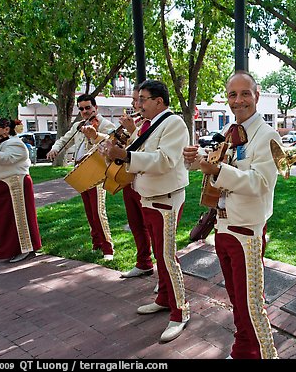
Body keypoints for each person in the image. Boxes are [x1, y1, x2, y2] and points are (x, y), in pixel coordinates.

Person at [183, 70, 280, 359]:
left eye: (245, 93)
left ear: (257, 96)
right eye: (232, 95)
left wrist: (217, 170)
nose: (238, 100)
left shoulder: (267, 135)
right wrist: (196, 161)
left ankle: (267, 354)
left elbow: (261, 183)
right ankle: (243, 349)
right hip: (223, 228)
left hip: (247, 232)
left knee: (252, 305)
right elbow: (215, 173)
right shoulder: (229, 132)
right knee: (237, 300)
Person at [100, 79, 190, 343]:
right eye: (138, 99)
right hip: (150, 197)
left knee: (167, 257)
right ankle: (164, 298)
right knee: (160, 255)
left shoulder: (174, 123)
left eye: (142, 99)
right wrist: (116, 152)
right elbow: (135, 154)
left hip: (166, 199)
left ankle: (180, 311)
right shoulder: (147, 125)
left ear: (159, 101)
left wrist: (126, 156)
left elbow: (165, 160)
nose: (137, 105)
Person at [46, 94, 116, 260]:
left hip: (96, 170)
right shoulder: (78, 125)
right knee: (89, 212)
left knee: (99, 212)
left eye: (88, 108)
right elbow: (64, 139)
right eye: (81, 109)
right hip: (80, 169)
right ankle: (96, 243)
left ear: (95, 108)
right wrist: (55, 149)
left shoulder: (105, 124)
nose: (85, 111)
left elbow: (112, 142)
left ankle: (108, 249)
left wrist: (95, 135)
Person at [0, 118, 42, 262]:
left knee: (18, 219)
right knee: (1, 222)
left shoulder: (15, 143)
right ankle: (6, 249)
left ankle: (26, 249)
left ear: (6, 129)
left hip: (13, 185)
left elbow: (6, 159)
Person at [117, 84, 155, 281]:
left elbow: (146, 151)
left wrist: (132, 131)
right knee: (136, 225)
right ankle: (144, 263)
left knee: (154, 230)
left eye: (139, 100)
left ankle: (167, 277)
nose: (135, 105)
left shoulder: (155, 124)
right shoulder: (139, 122)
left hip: (147, 185)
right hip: (129, 181)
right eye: (134, 100)